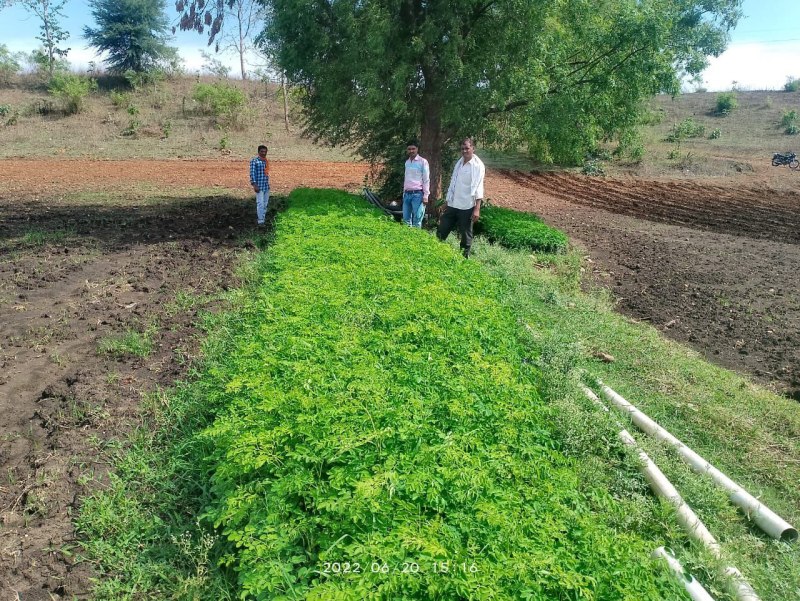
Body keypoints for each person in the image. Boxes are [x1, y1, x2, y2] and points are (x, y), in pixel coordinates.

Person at [437, 138, 485, 258]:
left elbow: (479, 187)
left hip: (467, 205)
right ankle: (435, 251)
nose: (464, 151)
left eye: (467, 148)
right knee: (442, 228)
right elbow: (453, 183)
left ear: (473, 149)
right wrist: (447, 202)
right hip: (453, 204)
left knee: (465, 233)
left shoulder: (477, 165)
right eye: (462, 149)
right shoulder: (459, 162)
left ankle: (464, 258)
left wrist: (477, 208)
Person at [402, 141, 430, 227]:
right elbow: (406, 178)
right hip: (407, 194)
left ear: (417, 149)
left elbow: (426, 179)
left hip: (417, 194)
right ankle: (407, 239)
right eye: (409, 149)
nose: (411, 151)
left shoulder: (423, 162)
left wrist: (426, 196)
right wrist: (404, 192)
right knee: (406, 220)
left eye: (413, 149)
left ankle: (416, 239)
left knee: (417, 220)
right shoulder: (407, 162)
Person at [249, 144, 270, 226]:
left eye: (265, 152)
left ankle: (263, 219)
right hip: (259, 186)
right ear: (258, 152)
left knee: (265, 204)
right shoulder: (254, 161)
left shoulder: (266, 161)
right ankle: (260, 221)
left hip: (266, 186)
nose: (263, 153)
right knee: (260, 204)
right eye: (262, 151)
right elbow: (252, 173)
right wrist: (254, 184)